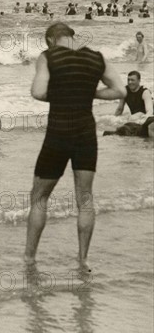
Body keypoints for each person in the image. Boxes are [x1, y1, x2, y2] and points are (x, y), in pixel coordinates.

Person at [25, 22, 126, 270]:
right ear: (73, 36)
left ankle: (29, 258)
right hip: (85, 136)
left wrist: (62, 92)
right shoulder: (97, 57)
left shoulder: (48, 56)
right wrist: (88, 93)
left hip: (57, 135)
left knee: (39, 198)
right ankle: (82, 260)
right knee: (85, 199)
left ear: (50, 39)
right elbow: (120, 90)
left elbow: (38, 92)